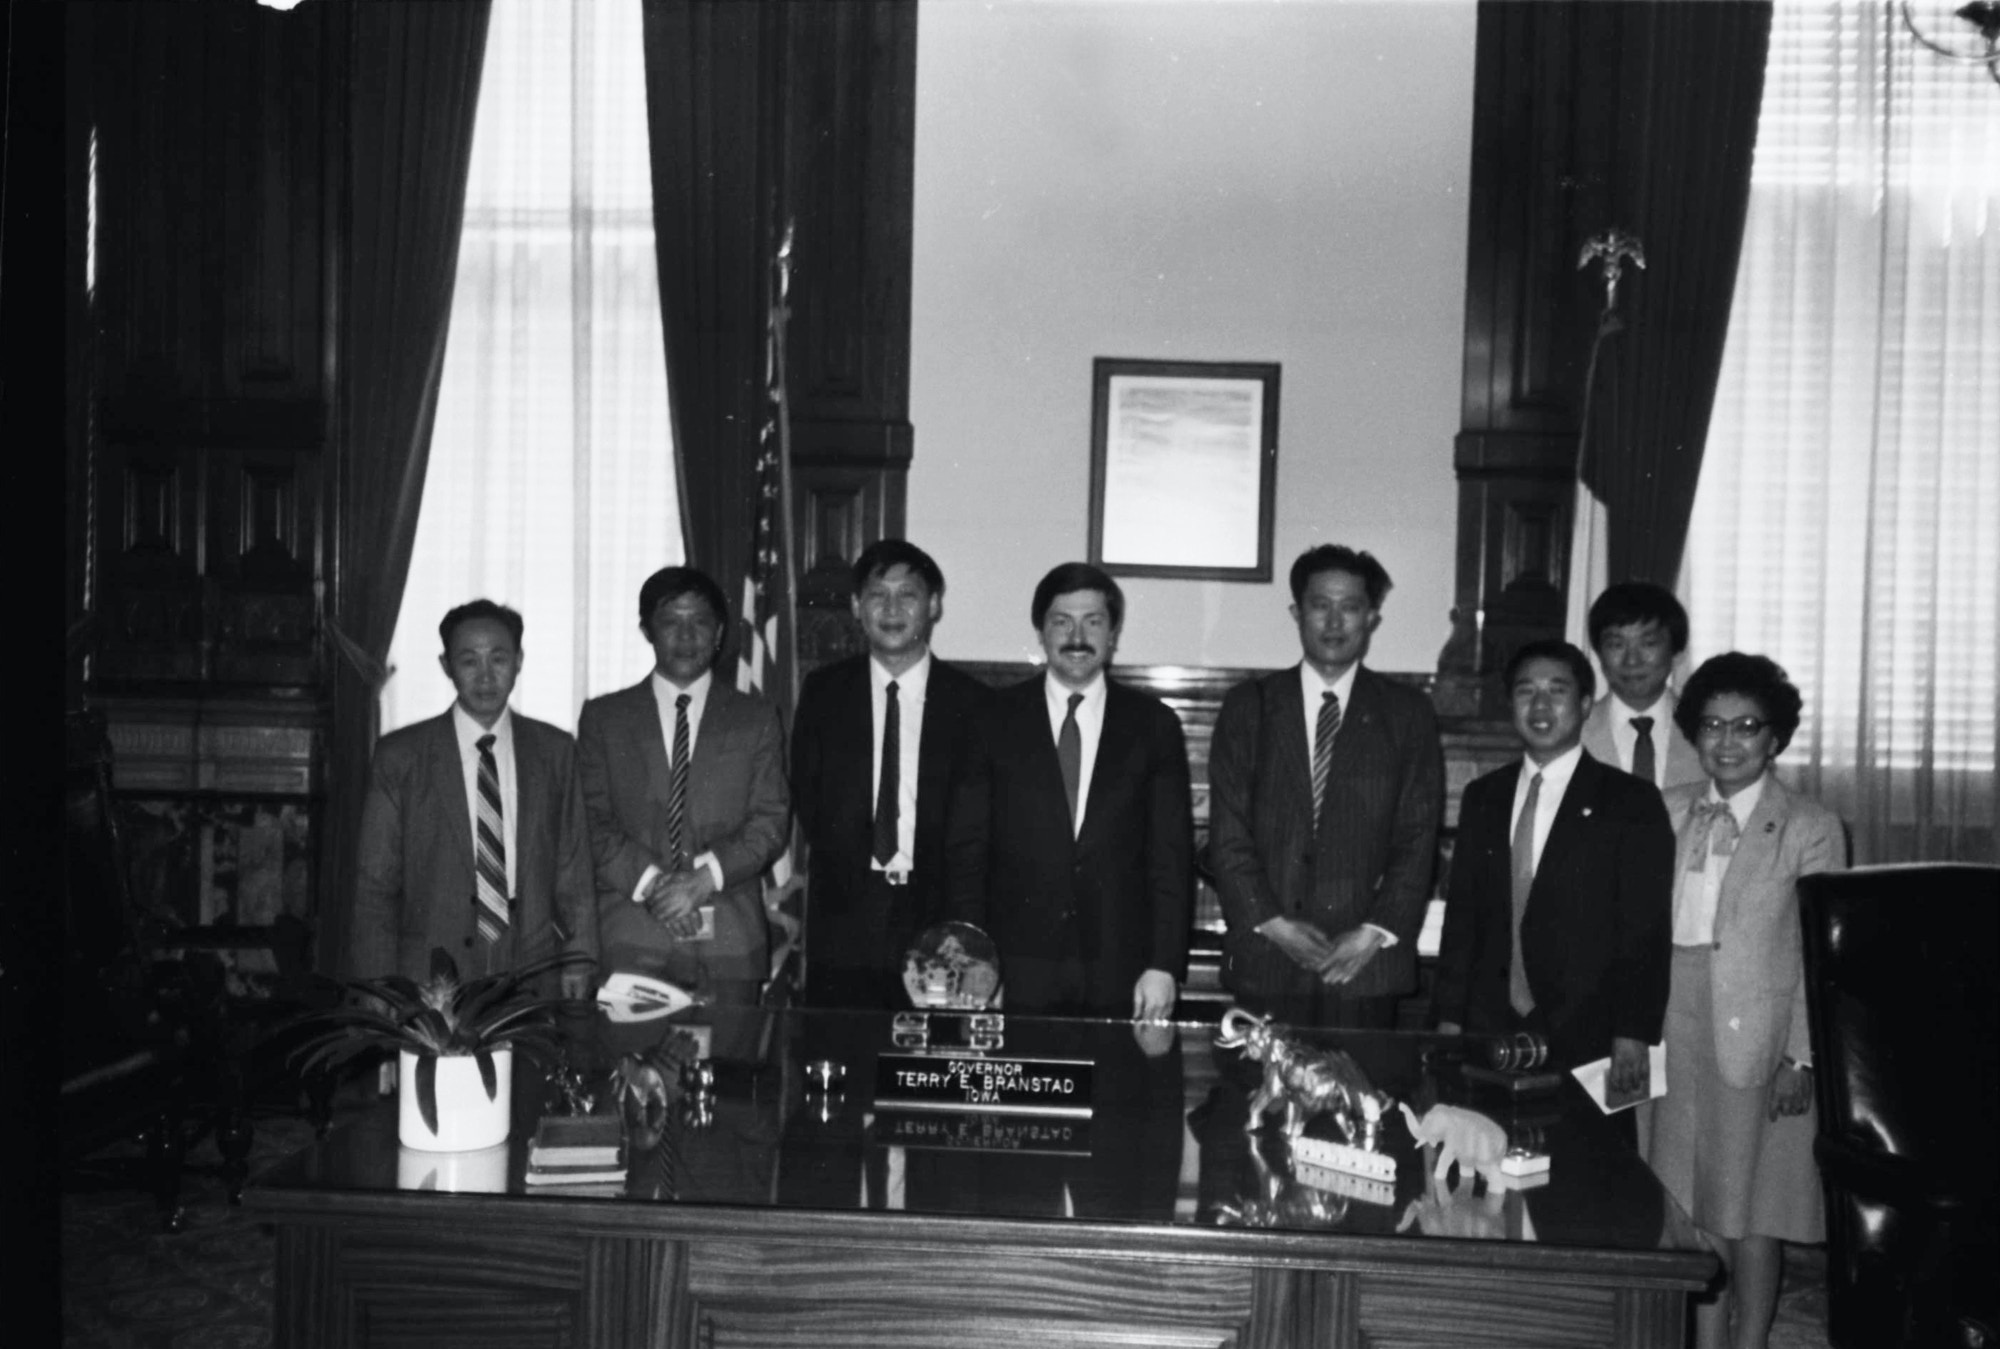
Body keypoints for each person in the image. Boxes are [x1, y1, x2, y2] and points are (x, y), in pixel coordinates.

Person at [1646, 653, 1843, 1349]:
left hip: (1756, 1032)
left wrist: (1802, 1054)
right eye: (1712, 726)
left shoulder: (1809, 826)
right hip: (1669, 1020)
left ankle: (1749, 1341)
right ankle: (1701, 1338)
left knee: (1751, 1207)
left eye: (1747, 727)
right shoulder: (1667, 809)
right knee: (1682, 1202)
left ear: (1775, 737)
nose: (1727, 741)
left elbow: (1822, 958)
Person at [1432, 639, 1675, 1116]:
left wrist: (1633, 1031)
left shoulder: (1630, 801)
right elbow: (1463, 917)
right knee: (1488, 1153)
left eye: (1557, 691)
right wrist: (1448, 1016)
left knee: (1587, 1171)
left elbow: (1645, 929)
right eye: (1526, 691)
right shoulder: (1485, 795)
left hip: (1589, 1028)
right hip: (1491, 1022)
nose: (1540, 705)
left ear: (1585, 705)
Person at [1209, 545, 1444, 1028]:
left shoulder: (1406, 714)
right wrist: (1274, 925)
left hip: (1365, 965)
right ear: (1297, 612)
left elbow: (1418, 840)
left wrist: (1373, 932)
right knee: (1264, 1101)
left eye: (1351, 607)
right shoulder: (1249, 707)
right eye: (1320, 605)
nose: (1334, 622)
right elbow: (1228, 835)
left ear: (1372, 618)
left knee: (1363, 1099)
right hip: (1265, 962)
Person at [948, 563, 1192, 1019]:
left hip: (1122, 966)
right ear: (1041, 630)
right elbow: (967, 853)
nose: (1077, 636)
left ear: (1113, 632)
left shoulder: (1153, 726)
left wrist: (1163, 965)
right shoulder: (991, 720)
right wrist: (976, 962)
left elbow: (1171, 858)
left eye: (1093, 622)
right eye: (1062, 621)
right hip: (1013, 966)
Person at [350, 600, 596, 998]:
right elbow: (376, 886)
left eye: (498, 659)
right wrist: (378, 987)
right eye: (469, 661)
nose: (485, 676)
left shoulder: (555, 750)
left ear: (518, 661)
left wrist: (582, 956)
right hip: (430, 974)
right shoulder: (401, 756)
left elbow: (574, 868)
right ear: (446, 665)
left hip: (531, 967)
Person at [790, 540, 992, 1008]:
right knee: (841, 1056)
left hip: (939, 920)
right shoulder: (824, 694)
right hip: (844, 916)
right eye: (879, 595)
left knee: (926, 1068)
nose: (893, 609)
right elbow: (809, 800)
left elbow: (976, 830)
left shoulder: (974, 705)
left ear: (934, 605)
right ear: (858, 607)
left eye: (909, 595)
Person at [577, 566, 788, 1003]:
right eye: (671, 622)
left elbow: (770, 822)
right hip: (632, 940)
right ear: (647, 631)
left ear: (720, 632)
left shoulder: (756, 718)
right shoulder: (605, 718)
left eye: (700, 622)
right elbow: (589, 823)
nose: (687, 637)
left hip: (730, 941)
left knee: (729, 1070)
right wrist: (656, 887)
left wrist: (701, 882)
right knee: (626, 1072)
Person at [1581, 582, 1705, 793]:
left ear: (1677, 652)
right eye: (1616, 645)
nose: (1632, 661)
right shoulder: (1574, 733)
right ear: (1598, 653)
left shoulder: (1706, 732)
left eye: (1648, 643)